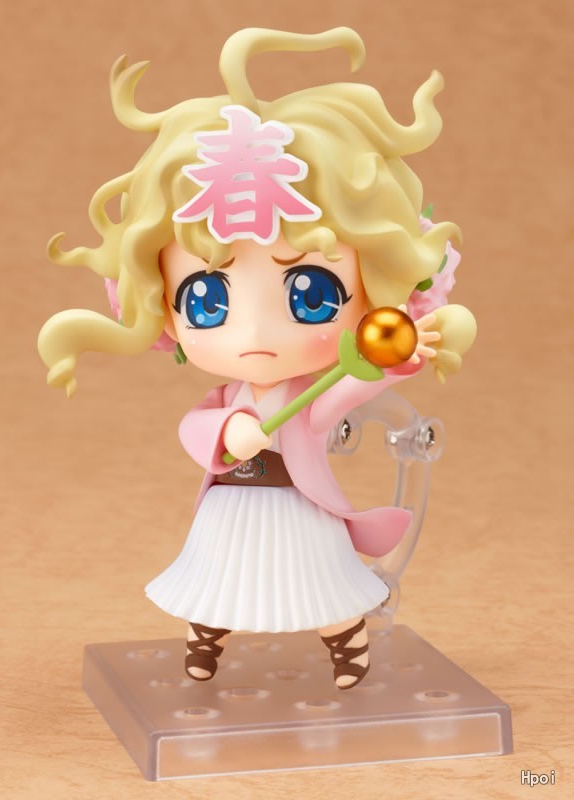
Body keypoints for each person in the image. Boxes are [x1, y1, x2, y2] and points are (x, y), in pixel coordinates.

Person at [38, 27, 476, 689]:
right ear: (163, 308)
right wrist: (225, 432)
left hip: (301, 510)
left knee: (323, 580)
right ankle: (205, 643)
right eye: (206, 299)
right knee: (216, 578)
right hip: (232, 506)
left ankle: (347, 646)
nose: (254, 331)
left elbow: (352, 385)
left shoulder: (312, 395)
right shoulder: (228, 399)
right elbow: (194, 427)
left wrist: (401, 352)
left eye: (311, 294)